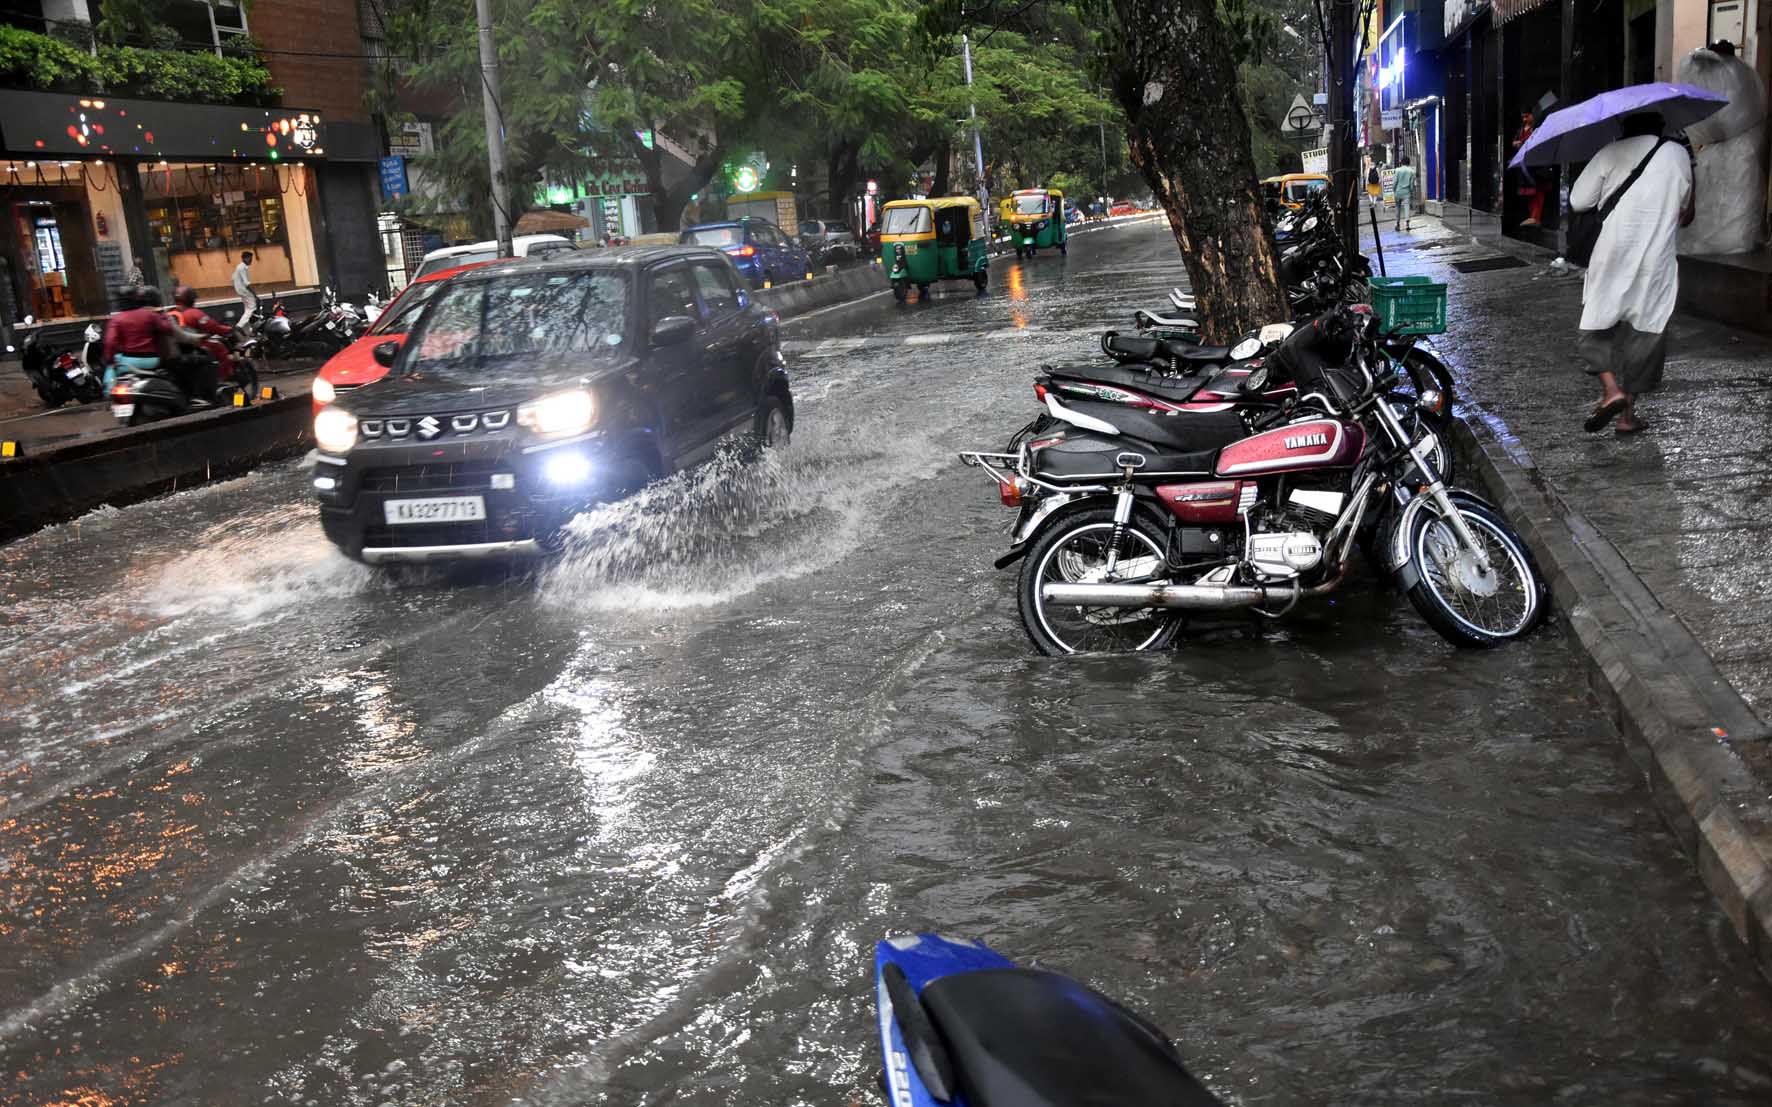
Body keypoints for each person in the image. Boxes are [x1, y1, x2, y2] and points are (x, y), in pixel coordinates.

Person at [1569, 111, 1693, 435]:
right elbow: (1687, 212)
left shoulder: (1610, 152)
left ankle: (1611, 391)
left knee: (1596, 324)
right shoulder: (1679, 154)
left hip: (1613, 253)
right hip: (1657, 259)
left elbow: (1578, 201)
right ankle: (1627, 417)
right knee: (1646, 332)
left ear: (1623, 127)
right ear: (1661, 126)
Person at [172, 284, 236, 384]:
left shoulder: (171, 312)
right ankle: (223, 379)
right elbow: (213, 327)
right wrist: (227, 329)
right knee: (219, 347)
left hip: (178, 348)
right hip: (194, 345)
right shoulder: (194, 313)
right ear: (190, 299)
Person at [1512, 112, 1545, 226]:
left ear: (1532, 115)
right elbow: (1515, 141)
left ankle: (1535, 216)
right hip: (1524, 164)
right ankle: (1532, 216)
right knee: (1529, 193)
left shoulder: (1536, 128)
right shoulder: (1521, 129)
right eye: (1523, 117)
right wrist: (1516, 143)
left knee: (1538, 191)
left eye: (1527, 116)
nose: (1525, 119)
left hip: (1535, 164)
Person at [1392, 156, 1417, 232]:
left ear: (1401, 162)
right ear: (1409, 162)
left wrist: (1394, 190)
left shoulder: (1397, 170)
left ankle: (1398, 224)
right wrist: (1411, 191)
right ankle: (1407, 224)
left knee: (1397, 207)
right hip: (1406, 192)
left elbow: (1394, 182)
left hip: (1398, 192)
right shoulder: (1412, 171)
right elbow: (1412, 184)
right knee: (1407, 207)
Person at [232, 250, 257, 318]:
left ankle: (246, 327)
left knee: (247, 309)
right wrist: (254, 293)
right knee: (252, 308)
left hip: (241, 291)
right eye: (250, 258)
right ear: (244, 258)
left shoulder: (240, 267)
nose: (251, 260)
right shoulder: (242, 268)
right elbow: (247, 283)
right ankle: (240, 325)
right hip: (244, 291)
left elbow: (233, 278)